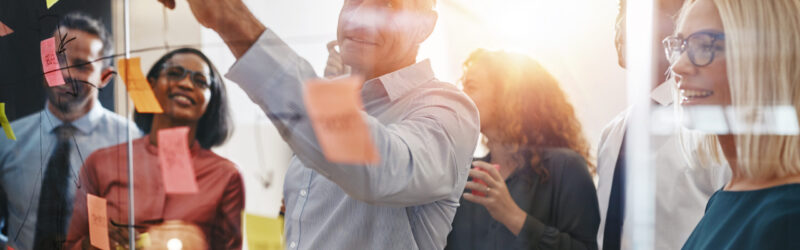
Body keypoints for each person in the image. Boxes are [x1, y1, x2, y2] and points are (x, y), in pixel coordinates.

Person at [158, 0, 480, 249]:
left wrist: (234, 21)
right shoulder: (336, 102)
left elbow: (378, 168)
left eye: (387, 4)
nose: (359, 18)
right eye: (353, 0)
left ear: (425, 25)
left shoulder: (448, 109)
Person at [64, 48, 244, 250]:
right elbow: (72, 245)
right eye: (174, 73)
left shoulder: (226, 176)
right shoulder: (101, 163)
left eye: (200, 81)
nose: (185, 84)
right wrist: (94, 244)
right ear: (150, 85)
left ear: (211, 99)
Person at [0, 13, 142, 250]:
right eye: (57, 60)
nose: (65, 73)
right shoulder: (8, 139)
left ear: (105, 77)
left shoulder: (130, 141)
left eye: (81, 65)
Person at [595, 0, 730, 249]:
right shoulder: (611, 133)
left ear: (677, 25)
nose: (619, 27)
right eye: (619, 16)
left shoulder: (707, 127)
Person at [666, 0, 800, 248]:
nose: (677, 66)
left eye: (704, 46)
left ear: (765, 59)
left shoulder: (790, 214)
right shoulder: (723, 197)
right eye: (681, 46)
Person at [445, 49, 600, 249]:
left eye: (471, 86)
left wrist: (513, 217)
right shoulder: (462, 175)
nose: (460, 96)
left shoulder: (566, 167)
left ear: (506, 95)